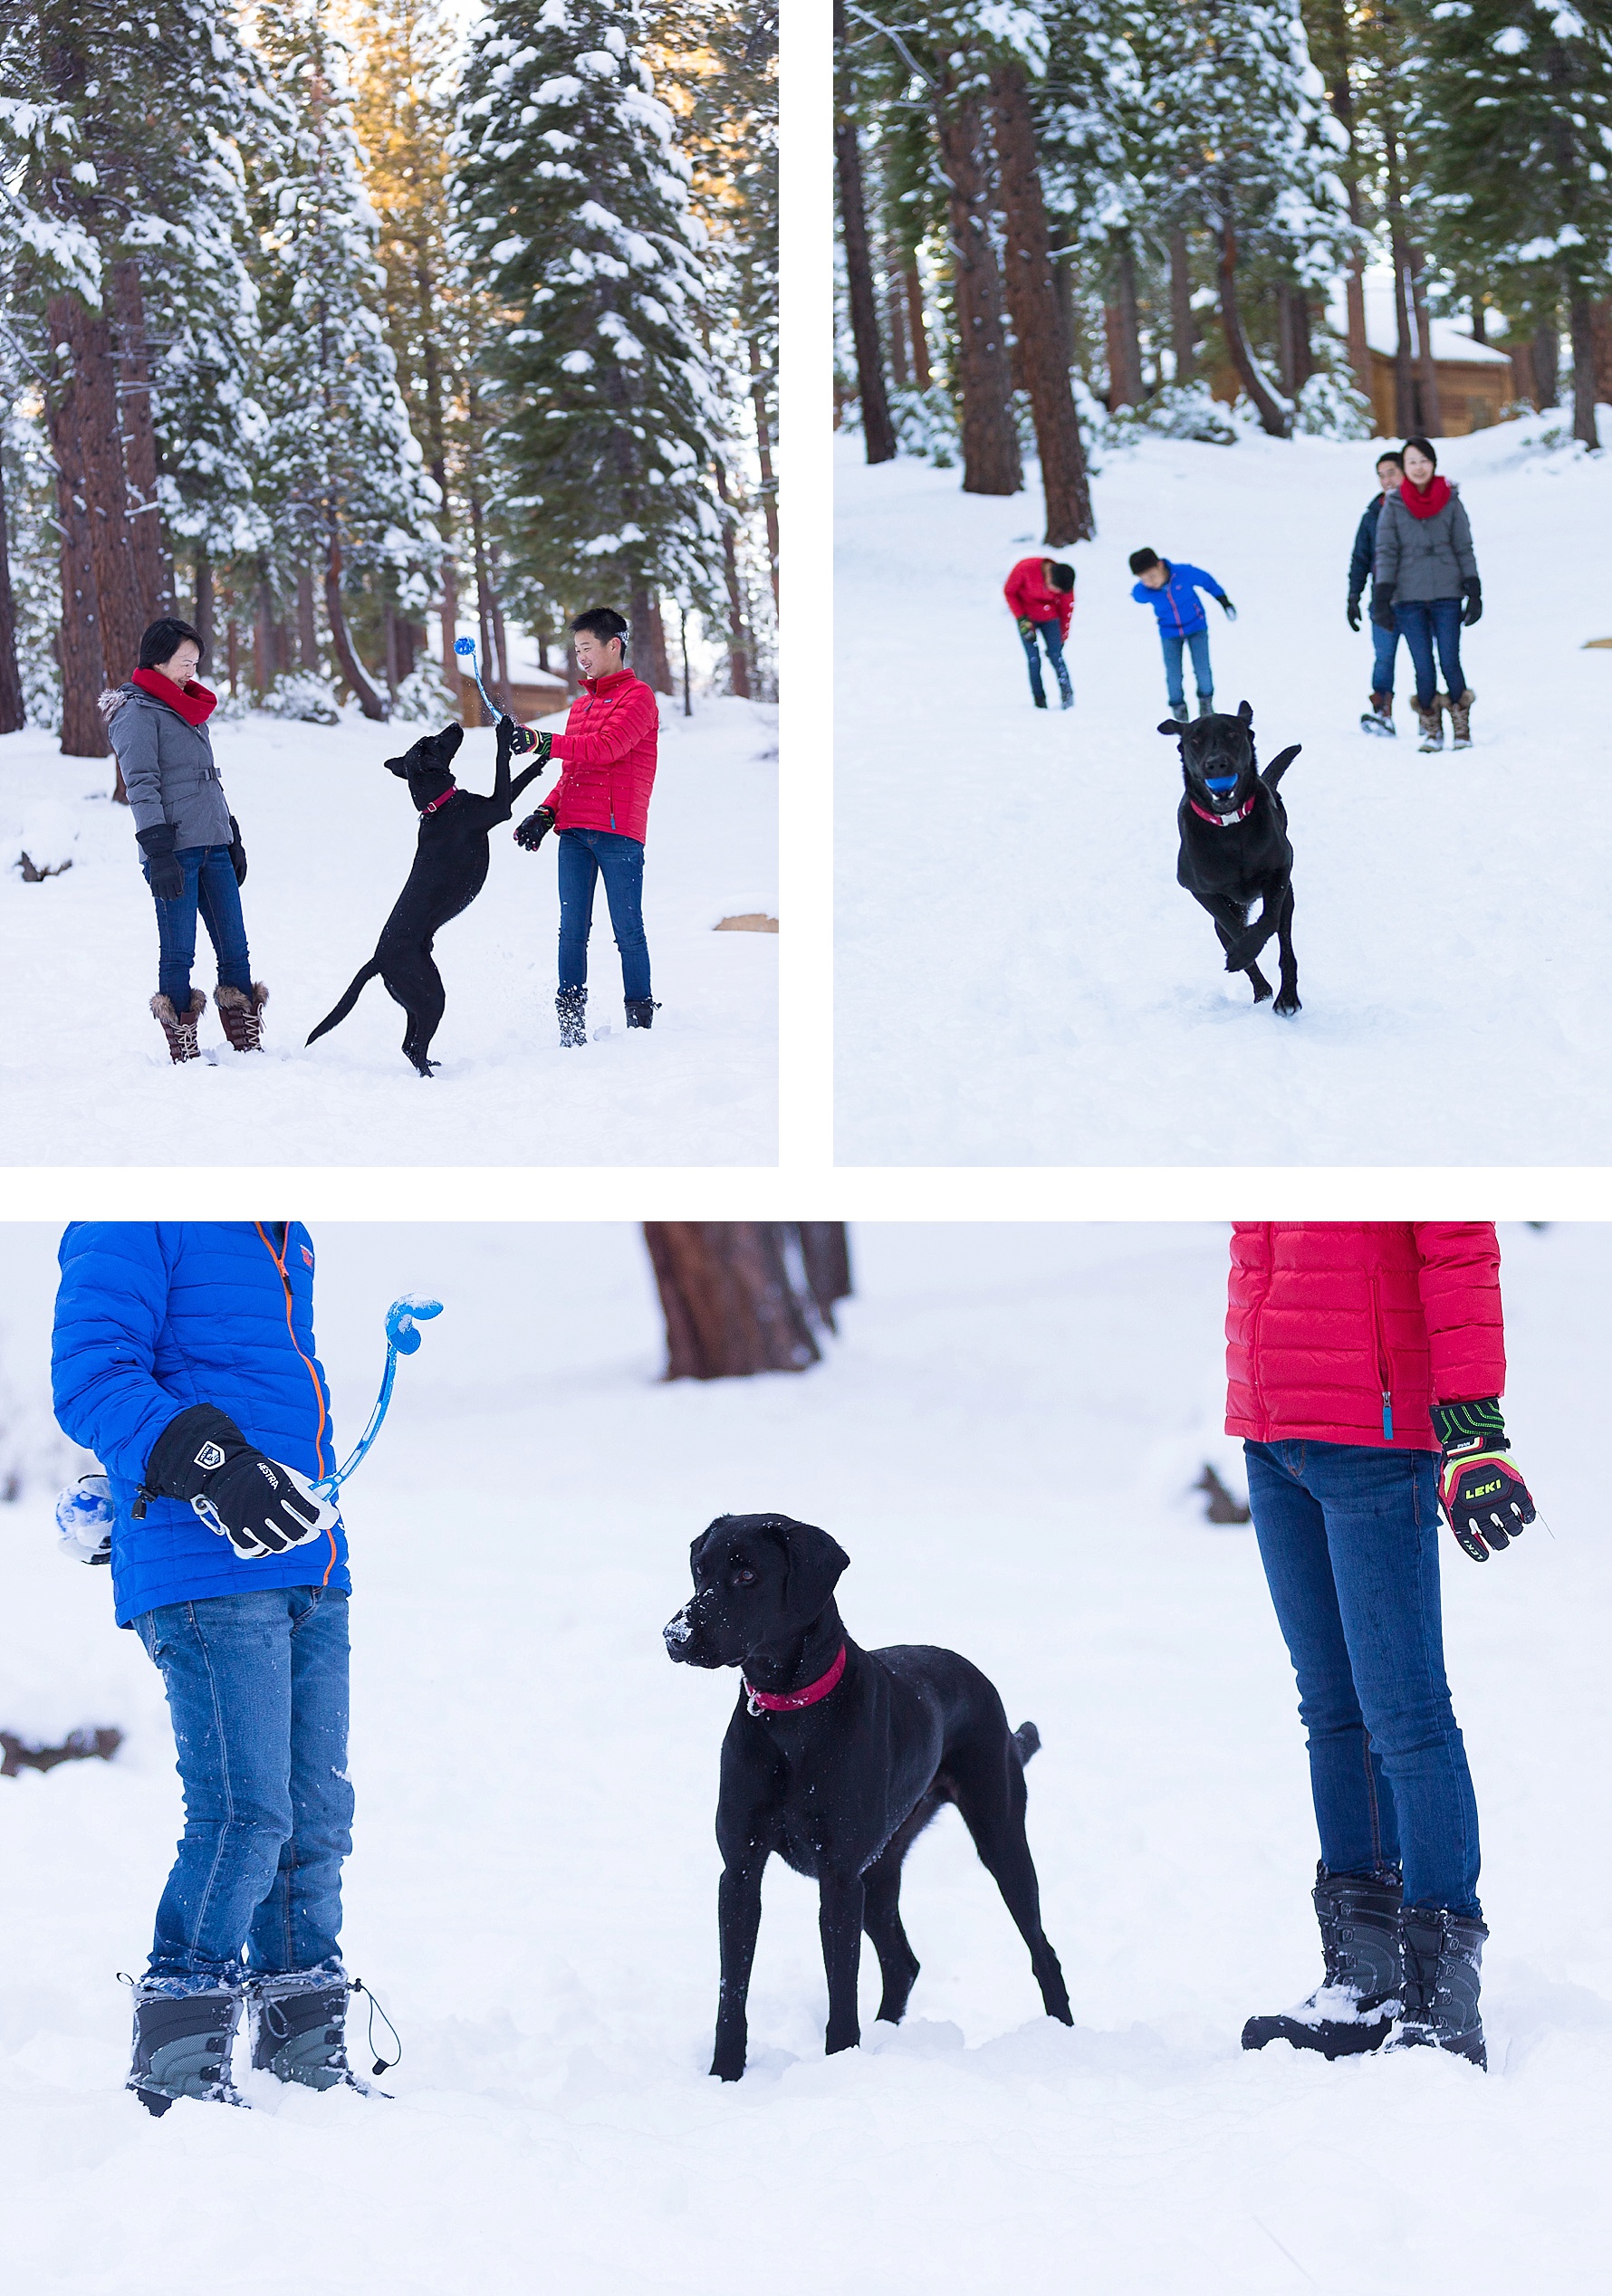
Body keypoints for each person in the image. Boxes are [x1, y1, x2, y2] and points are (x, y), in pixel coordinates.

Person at [51, 1220, 378, 2115]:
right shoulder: (139, 1207)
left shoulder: (285, 1229)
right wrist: (210, 1461)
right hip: (201, 1565)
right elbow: (90, 1377)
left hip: (307, 1559)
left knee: (314, 1813)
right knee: (244, 1814)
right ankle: (179, 2071)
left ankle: (305, 2057)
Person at [1228, 1222, 1535, 2071]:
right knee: (1331, 1710)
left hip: (1376, 1430)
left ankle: (1444, 1996)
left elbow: (1460, 1250)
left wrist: (1473, 1425)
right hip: (1272, 1427)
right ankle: (1361, 1981)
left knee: (1406, 1714)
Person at [102, 618, 267, 1064]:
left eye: (195, 662)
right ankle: (184, 1044)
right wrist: (158, 852)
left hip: (212, 841)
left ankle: (246, 1042)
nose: (191, 672)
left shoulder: (186, 707)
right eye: (183, 662)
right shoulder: (135, 712)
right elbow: (141, 784)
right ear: (157, 660)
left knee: (235, 944)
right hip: (173, 849)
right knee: (179, 951)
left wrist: (230, 833)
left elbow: (206, 779)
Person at [513, 606, 658, 1047]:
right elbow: (573, 768)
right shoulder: (580, 706)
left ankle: (640, 1027)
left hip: (618, 833)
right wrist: (545, 813)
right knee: (571, 930)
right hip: (574, 831)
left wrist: (543, 741)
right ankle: (570, 1028)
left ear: (613, 645)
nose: (581, 657)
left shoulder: (640, 698)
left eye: (587, 647)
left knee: (627, 930)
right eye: (576, 649)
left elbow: (608, 747)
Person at [1372, 435, 1481, 753]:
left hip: (1447, 593)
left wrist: (1473, 588)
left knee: (1449, 660)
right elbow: (1386, 551)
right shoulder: (1393, 505)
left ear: (1433, 464)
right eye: (1412, 462)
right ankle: (1431, 727)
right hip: (1408, 597)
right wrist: (1382, 596)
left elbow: (1464, 545)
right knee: (1423, 665)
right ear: (1405, 468)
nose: (1419, 468)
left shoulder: (1451, 499)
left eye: (1424, 461)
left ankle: (1461, 725)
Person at [1128, 549, 1236, 722]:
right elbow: (1137, 596)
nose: (1150, 582)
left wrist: (1224, 602)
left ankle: (1206, 707)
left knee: (1202, 670)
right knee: (1173, 675)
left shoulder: (1183, 573)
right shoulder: (1144, 591)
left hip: (1196, 627)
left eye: (1152, 575)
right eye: (1144, 579)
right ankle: (1179, 713)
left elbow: (1207, 581)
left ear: (1160, 565)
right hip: (1169, 632)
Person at [1347, 450, 1405, 736]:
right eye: (1381, 475)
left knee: (1426, 659)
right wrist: (1353, 597)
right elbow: (1360, 558)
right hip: (1383, 601)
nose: (1386, 480)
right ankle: (1382, 710)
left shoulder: (1420, 507)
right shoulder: (1372, 516)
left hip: (1420, 598)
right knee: (1384, 657)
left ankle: (1429, 713)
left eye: (1391, 472)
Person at [1003, 556, 1076, 711]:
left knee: (1056, 655)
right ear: (1048, 576)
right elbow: (1009, 592)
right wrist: (1022, 619)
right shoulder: (1025, 568)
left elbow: (1066, 610)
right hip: (1027, 617)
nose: (1056, 593)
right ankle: (1039, 701)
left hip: (1051, 618)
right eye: (1053, 588)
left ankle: (1068, 697)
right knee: (1033, 659)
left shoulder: (1065, 580)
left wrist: (1062, 636)